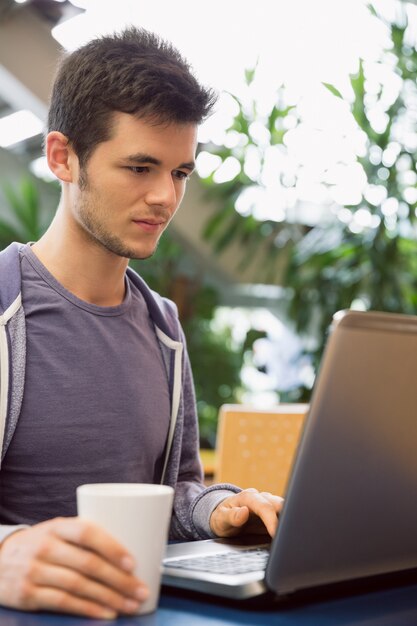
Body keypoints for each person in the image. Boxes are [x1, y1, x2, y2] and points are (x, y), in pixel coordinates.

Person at [0, 27, 283, 619]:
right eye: (140, 167)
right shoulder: (6, 308)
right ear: (62, 157)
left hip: (140, 607)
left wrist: (219, 509)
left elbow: (175, 492)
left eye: (180, 172)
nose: (164, 197)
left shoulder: (163, 326)